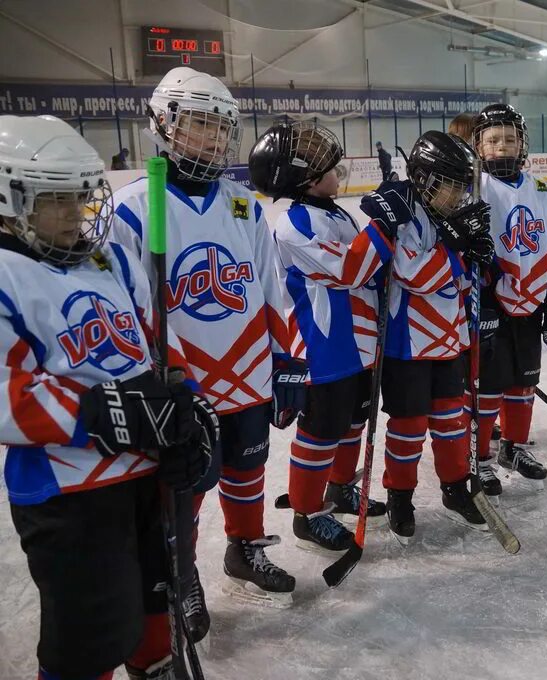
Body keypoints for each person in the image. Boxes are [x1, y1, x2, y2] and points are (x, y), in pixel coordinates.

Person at [0, 114, 216, 680]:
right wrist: (101, 410)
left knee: (155, 596)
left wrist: (184, 410)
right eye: (55, 199)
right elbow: (5, 393)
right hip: (70, 493)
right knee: (88, 638)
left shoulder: (106, 258)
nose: (77, 211)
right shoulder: (5, 274)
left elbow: (156, 342)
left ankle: (156, 665)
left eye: (79, 195)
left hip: (144, 472)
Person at [108, 67, 300, 636]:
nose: (214, 139)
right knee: (185, 484)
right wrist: (150, 378)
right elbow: (125, 307)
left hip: (248, 373)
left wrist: (288, 360)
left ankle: (244, 548)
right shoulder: (133, 207)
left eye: (222, 128)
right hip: (180, 382)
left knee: (248, 468)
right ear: (164, 124)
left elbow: (271, 287)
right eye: (199, 124)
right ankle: (182, 570)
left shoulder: (243, 204)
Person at [249, 120, 391, 555]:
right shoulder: (295, 223)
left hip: (360, 342)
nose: (338, 168)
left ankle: (341, 487)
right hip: (324, 349)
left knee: (352, 423)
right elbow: (351, 270)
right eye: (327, 166)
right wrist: (385, 222)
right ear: (305, 180)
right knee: (321, 431)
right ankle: (307, 513)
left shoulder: (332, 211)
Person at [359, 130, 495, 543]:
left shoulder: (457, 214)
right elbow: (416, 274)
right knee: (408, 426)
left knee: (453, 420)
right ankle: (400, 496)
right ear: (422, 178)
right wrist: (460, 249)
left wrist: (478, 257)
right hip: (408, 345)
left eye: (461, 184)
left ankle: (455, 487)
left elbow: (468, 279)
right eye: (447, 184)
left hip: (450, 339)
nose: (456, 194)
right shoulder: (401, 211)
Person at [471, 103, 547, 493]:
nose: (502, 147)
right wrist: (484, 301)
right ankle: (478, 457)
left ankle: (513, 447)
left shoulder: (543, 189)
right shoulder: (472, 187)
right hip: (491, 304)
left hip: (531, 303)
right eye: (493, 140)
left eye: (510, 139)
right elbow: (467, 253)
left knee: (524, 382)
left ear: (522, 144)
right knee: (489, 387)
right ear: (479, 146)